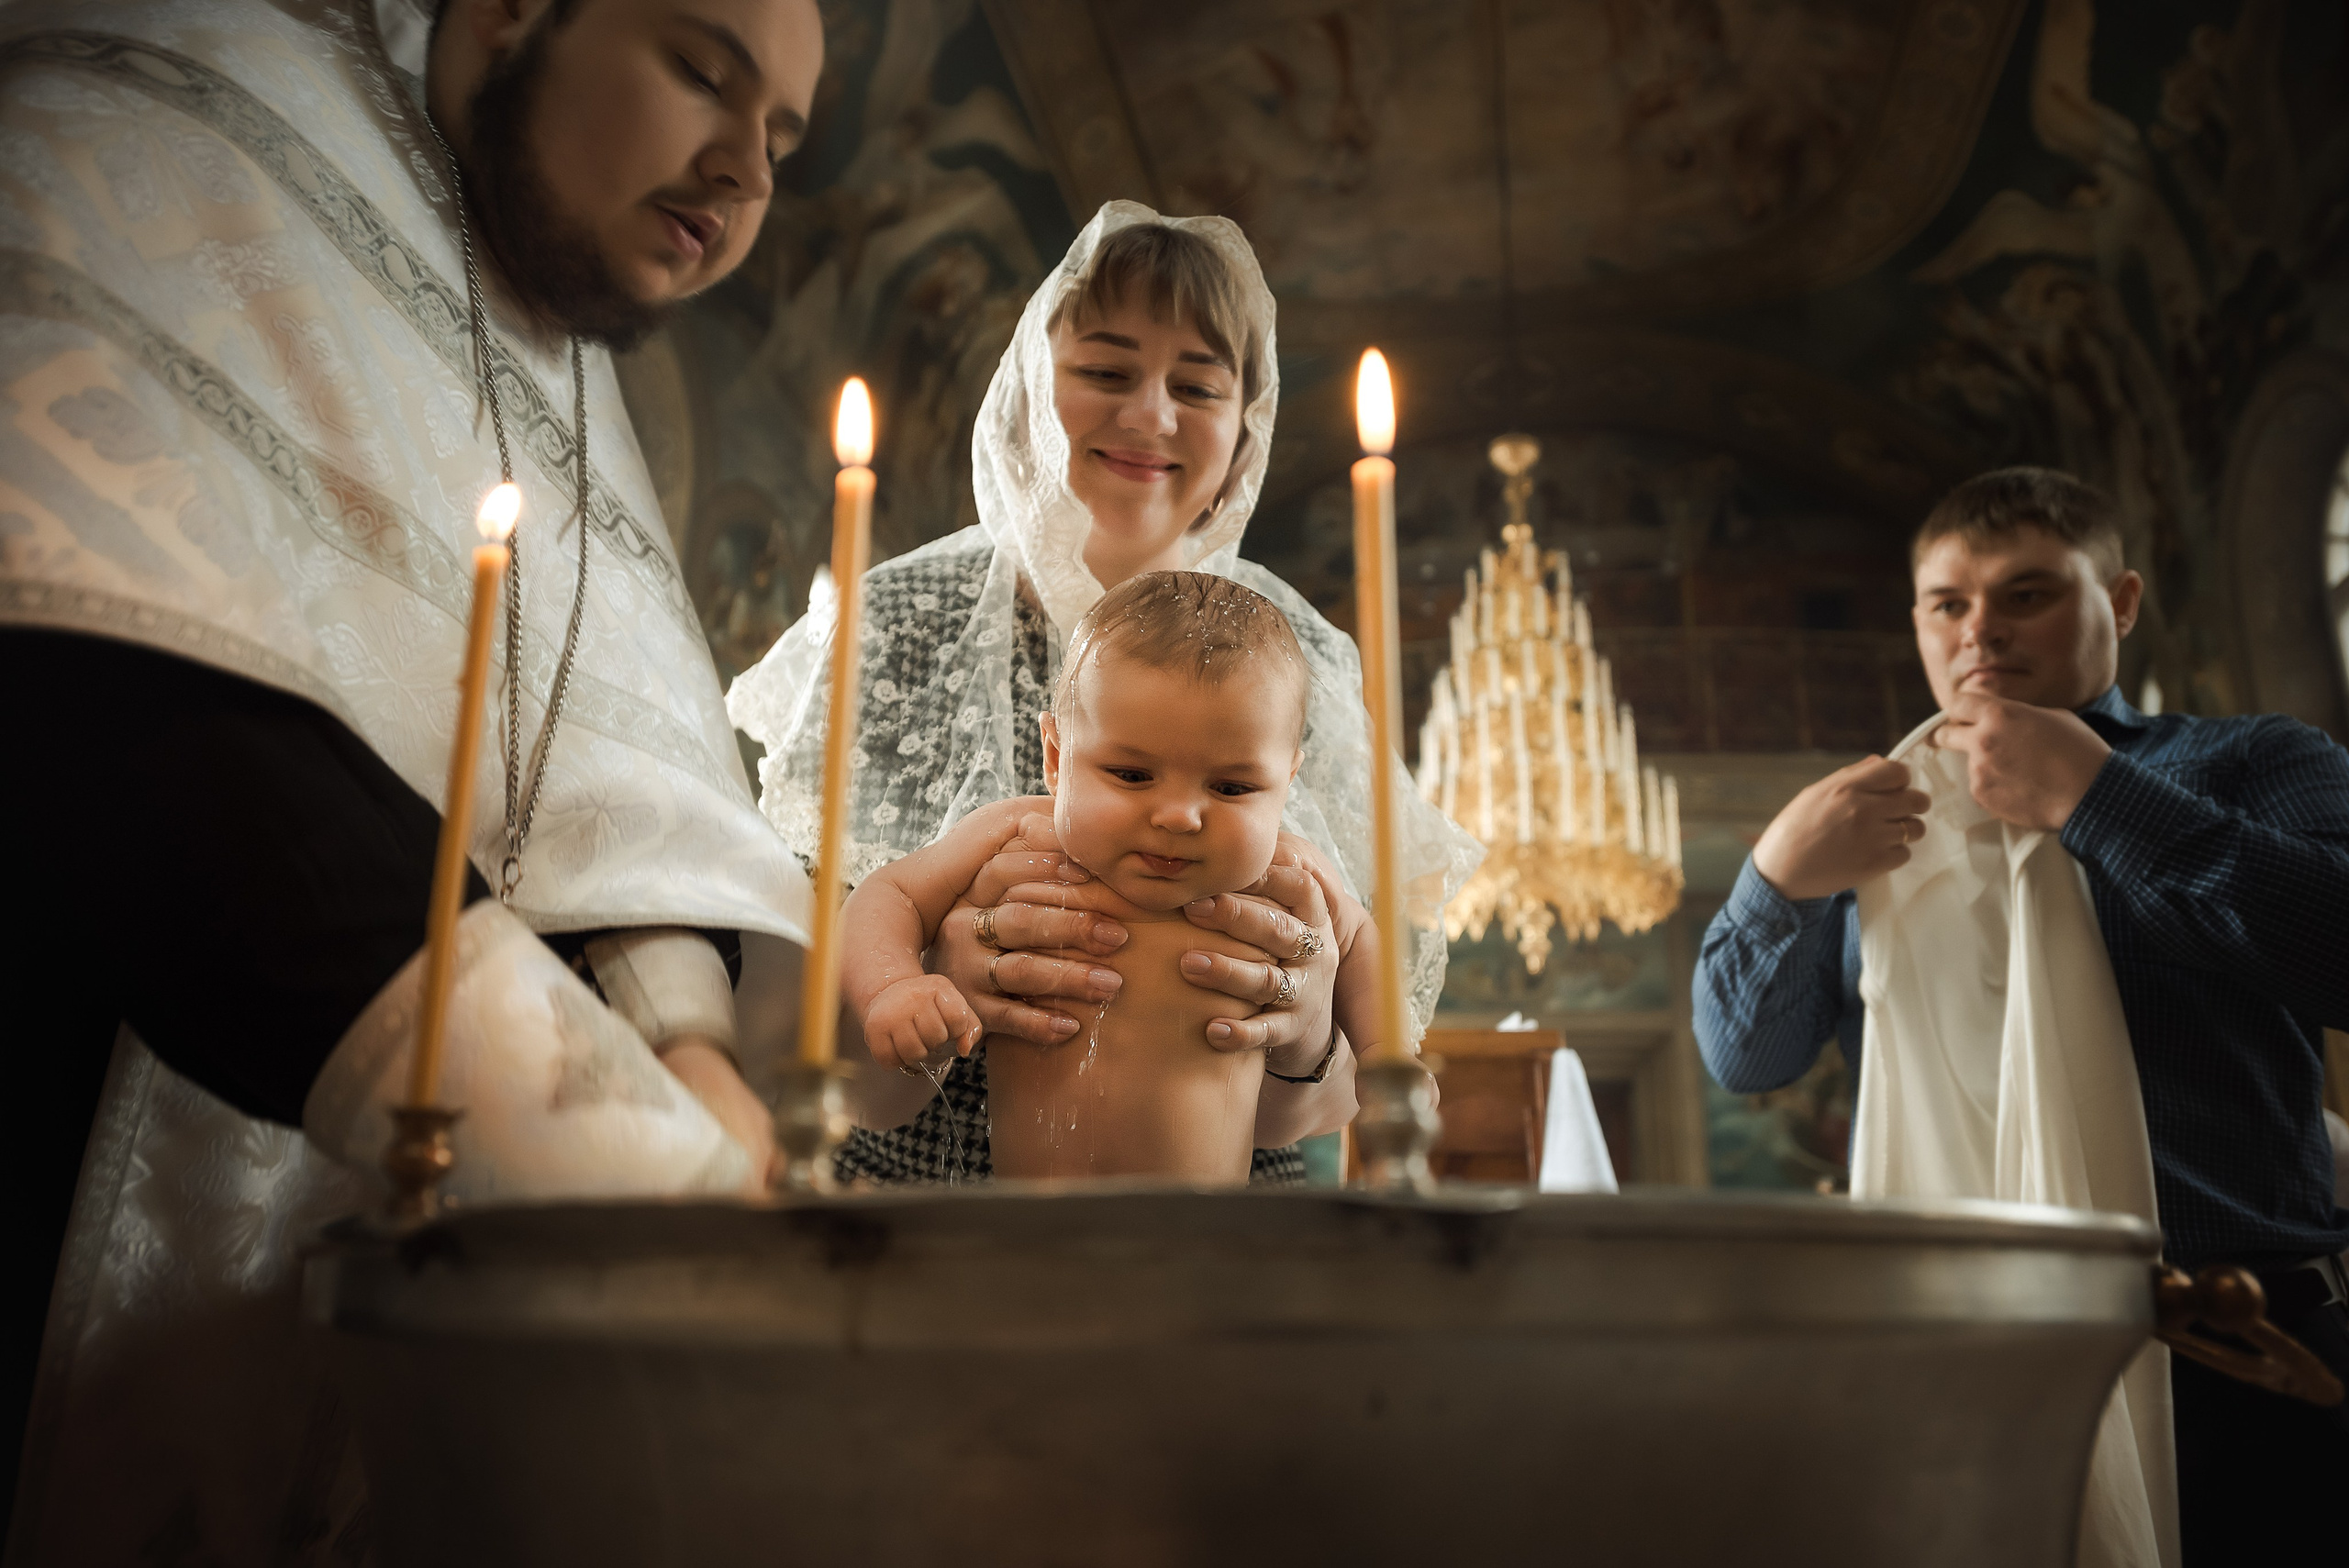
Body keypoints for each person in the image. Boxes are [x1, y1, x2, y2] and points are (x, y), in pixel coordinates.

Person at [0, 0, 822, 1554]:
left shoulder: (568, 366)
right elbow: (132, 691)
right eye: (705, 73)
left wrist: (690, 1057)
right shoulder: (185, 97)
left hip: (402, 1231)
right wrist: (639, 1164)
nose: (743, 176)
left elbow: (614, 765)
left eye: (782, 142)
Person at [729, 201, 1480, 1185]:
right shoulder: (897, 622)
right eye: (1106, 370)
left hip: (1222, 1220)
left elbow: (1346, 1057)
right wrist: (931, 983)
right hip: (928, 1210)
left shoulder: (1297, 655)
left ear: (1244, 422)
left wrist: (1302, 1036)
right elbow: (787, 1008)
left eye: (1199, 384)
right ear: (1037, 386)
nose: (1152, 415)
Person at [1693, 467, 2349, 1562]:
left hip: (2241, 1350)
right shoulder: (1870, 815)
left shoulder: (2257, 761)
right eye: (1947, 603)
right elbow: (1744, 1058)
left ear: (2122, 603)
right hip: (1969, 1365)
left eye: (2027, 593)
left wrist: (2101, 797)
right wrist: (1774, 881)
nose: (1979, 629)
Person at [845, 572, 1382, 1181]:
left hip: (1209, 1239)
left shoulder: (1286, 876)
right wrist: (893, 985)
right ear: (1055, 756)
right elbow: (887, 893)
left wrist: (1382, 1056)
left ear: (1287, 780)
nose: (1179, 815)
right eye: (1131, 775)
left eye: (1232, 787)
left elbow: (1361, 942)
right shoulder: (1015, 831)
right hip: (1029, 1226)